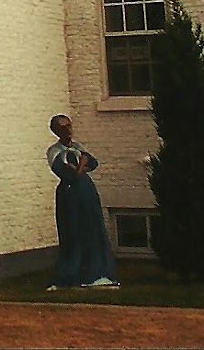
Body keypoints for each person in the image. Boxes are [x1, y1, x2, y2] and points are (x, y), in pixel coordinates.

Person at [45, 113, 119, 289]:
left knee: (93, 228)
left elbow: (93, 163)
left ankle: (98, 271)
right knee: (73, 231)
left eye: (69, 126)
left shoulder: (78, 147)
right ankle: (73, 272)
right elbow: (66, 173)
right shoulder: (54, 152)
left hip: (87, 192)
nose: (68, 130)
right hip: (70, 195)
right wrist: (80, 167)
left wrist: (79, 167)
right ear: (56, 131)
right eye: (63, 127)